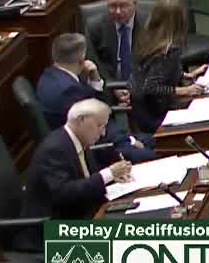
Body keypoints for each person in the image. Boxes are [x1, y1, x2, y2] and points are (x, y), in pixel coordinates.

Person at [16, 99, 132, 250]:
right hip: (53, 226)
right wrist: (107, 174)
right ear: (81, 120)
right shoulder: (54, 148)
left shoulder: (80, 140)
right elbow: (64, 193)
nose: (103, 133)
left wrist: (113, 177)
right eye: (100, 126)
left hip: (83, 212)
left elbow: (86, 179)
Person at [36, 32, 156, 164]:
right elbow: (99, 125)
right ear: (82, 60)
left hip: (100, 138)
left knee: (155, 140)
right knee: (160, 153)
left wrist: (95, 79)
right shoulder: (69, 90)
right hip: (99, 150)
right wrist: (129, 141)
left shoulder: (50, 76)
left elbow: (96, 109)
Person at [129, 0, 207, 134]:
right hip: (156, 117)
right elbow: (151, 87)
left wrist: (187, 76)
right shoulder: (167, 51)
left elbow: (160, 73)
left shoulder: (148, 39)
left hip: (143, 112)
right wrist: (185, 90)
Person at [88, 0, 145, 83]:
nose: (118, 11)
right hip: (108, 86)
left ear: (134, 4)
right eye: (113, 6)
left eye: (123, 6)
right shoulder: (95, 27)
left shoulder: (149, 25)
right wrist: (113, 87)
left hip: (142, 86)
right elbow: (95, 63)